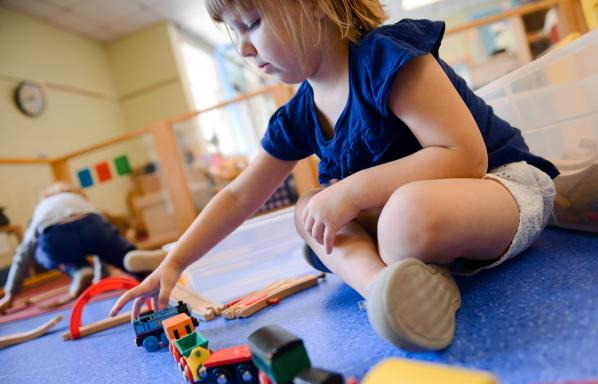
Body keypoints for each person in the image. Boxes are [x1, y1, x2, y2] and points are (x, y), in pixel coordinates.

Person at [111, 0, 558, 351]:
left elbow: (464, 157)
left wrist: (349, 191)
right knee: (308, 212)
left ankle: (394, 270)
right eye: (233, 34)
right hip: (410, 231)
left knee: (403, 216)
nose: (243, 49)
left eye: (250, 23)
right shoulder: (300, 114)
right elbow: (236, 197)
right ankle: (386, 290)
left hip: (500, 186)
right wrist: (175, 262)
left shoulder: (388, 55)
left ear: (315, 4)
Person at [0, 181, 167, 314]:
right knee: (110, 247)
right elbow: (101, 249)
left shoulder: (42, 208)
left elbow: (23, 253)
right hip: (92, 224)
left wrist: (10, 294)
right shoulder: (80, 201)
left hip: (56, 236)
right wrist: (100, 277)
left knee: (40, 252)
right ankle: (129, 258)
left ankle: (77, 269)